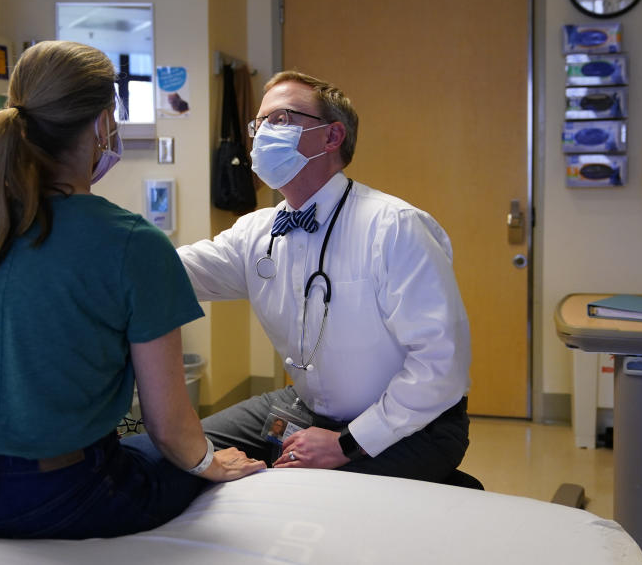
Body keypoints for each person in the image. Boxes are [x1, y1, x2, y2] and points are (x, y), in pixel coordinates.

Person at [0, 41, 264, 540]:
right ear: (104, 122)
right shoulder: (133, 244)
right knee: (194, 450)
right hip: (64, 497)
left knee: (138, 443)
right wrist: (210, 464)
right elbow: (169, 427)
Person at [178, 70, 472, 482]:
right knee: (185, 453)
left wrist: (348, 443)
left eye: (279, 120)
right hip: (307, 409)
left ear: (332, 137)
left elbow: (442, 363)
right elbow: (173, 273)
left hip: (414, 424)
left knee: (308, 496)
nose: (262, 135)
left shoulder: (394, 226)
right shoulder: (257, 232)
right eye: (258, 124)